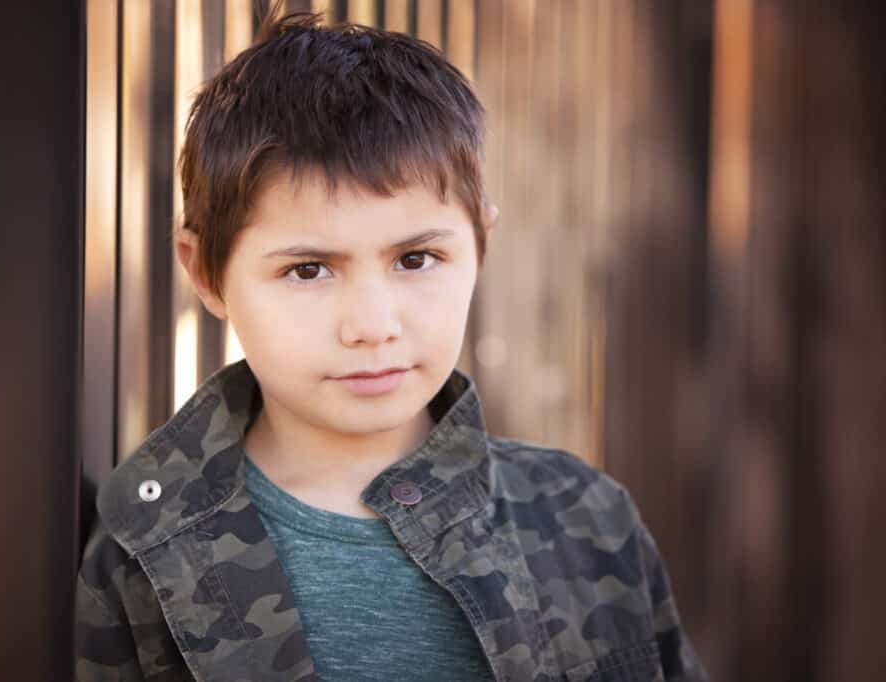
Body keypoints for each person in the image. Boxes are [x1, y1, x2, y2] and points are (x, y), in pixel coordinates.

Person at [74, 3, 707, 680]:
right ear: (206, 273)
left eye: (415, 259)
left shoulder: (589, 521)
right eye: (307, 270)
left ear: (481, 242)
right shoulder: (145, 551)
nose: (373, 325)